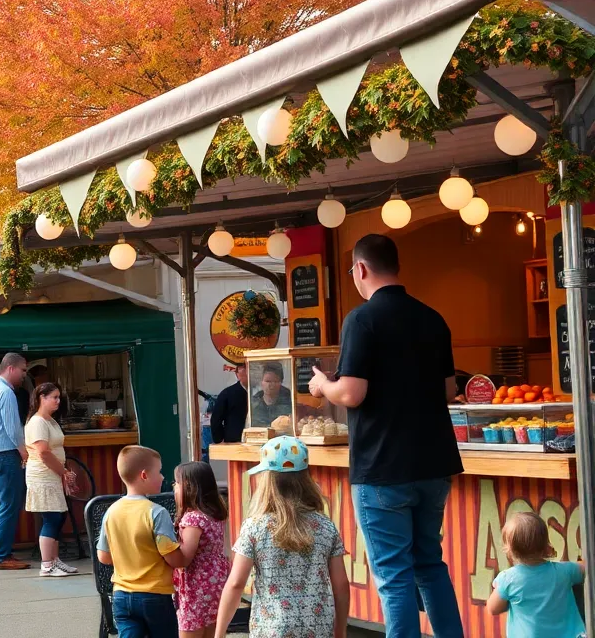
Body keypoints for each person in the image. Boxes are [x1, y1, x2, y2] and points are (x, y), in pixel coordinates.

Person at [308, 233, 464, 638]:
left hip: (382, 467)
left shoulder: (362, 319)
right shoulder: (433, 318)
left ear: (361, 269)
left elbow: (351, 393)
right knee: (430, 565)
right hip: (434, 463)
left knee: (394, 576)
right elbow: (449, 390)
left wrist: (323, 385)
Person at [215, 436, 348, 638]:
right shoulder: (325, 526)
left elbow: (235, 584)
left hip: (271, 629)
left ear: (267, 480)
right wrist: (341, 630)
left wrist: (219, 633)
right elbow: (341, 585)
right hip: (318, 629)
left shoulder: (255, 528)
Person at [96, 445, 185, 637]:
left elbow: (103, 557)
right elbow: (173, 558)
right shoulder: (157, 513)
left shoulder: (111, 512)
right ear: (144, 475)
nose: (162, 477)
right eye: (159, 471)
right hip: (155, 596)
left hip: (121, 595)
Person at [488, 511, 585, 638]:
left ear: (509, 550)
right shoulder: (565, 571)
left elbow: (493, 608)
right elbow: (587, 568)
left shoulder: (508, 580)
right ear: (546, 544)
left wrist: (506, 593)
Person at [0, 352, 30, 570]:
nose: (24, 375)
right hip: (5, 453)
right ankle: (1, 556)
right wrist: (24, 451)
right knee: (9, 505)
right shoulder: (6, 392)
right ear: (11, 368)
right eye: (23, 370)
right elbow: (13, 428)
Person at [25, 382, 79, 578]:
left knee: (59, 516)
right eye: (54, 397)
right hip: (43, 475)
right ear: (42, 398)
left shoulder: (51, 421)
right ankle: (47, 564)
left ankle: (54, 560)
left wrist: (63, 472)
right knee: (52, 517)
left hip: (53, 474)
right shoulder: (37, 422)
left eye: (58, 397)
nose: (58, 401)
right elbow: (43, 453)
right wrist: (63, 471)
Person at [171, 462, 230, 638]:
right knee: (211, 626)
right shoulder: (214, 514)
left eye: (177, 483)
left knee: (191, 627)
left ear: (190, 487)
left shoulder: (193, 519)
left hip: (196, 584)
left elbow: (185, 557)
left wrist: (164, 547)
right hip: (216, 580)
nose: (174, 487)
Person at [209, 364, 249, 444]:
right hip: (233, 440)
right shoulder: (227, 394)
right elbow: (216, 419)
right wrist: (219, 440)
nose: (247, 374)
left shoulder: (261, 392)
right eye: (244, 371)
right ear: (237, 375)